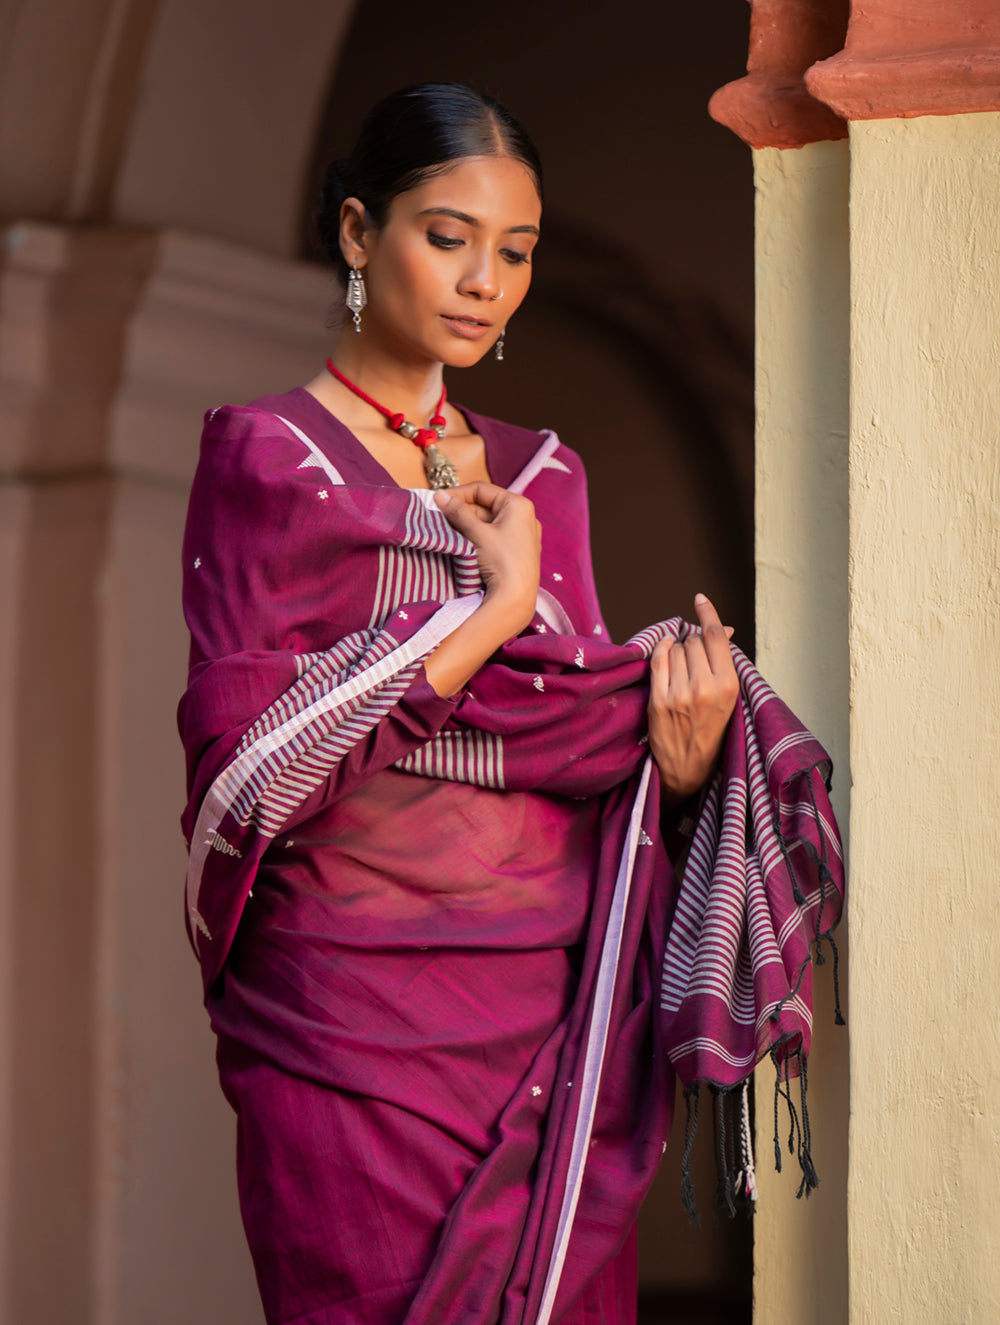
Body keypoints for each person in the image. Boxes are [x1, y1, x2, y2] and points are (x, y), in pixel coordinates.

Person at [178, 83, 843, 1325]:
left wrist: (685, 762)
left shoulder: (544, 473)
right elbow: (260, 769)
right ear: (357, 232)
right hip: (346, 1036)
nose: (485, 279)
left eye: (517, 250)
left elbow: (574, 739)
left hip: (544, 1030)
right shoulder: (268, 458)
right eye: (448, 236)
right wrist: (491, 606)